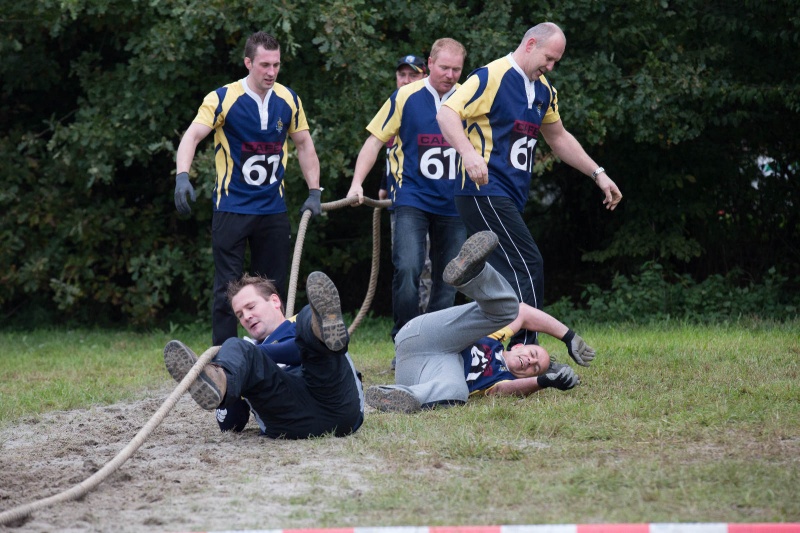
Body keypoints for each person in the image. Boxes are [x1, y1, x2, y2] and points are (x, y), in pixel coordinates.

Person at [437, 22, 623, 347]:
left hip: (511, 195)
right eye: (548, 59)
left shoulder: (544, 91)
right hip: (483, 190)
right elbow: (447, 113)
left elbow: (559, 138)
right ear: (530, 44)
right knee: (527, 263)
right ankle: (526, 350)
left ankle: (473, 347)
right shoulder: (490, 76)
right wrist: (468, 153)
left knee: (497, 276)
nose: (550, 67)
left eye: (555, 63)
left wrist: (599, 173)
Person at [173, 31, 322, 347]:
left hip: (272, 209)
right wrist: (182, 176)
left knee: (273, 289)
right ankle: (225, 359)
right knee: (227, 287)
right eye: (264, 65)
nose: (271, 72)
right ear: (248, 63)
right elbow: (191, 136)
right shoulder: (222, 98)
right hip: (232, 208)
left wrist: (314, 192)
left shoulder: (289, 100)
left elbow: (305, 144)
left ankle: (275, 352)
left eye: (276, 65)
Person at [365, 231, 594, 413]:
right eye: (533, 355)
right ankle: (474, 273)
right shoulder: (497, 338)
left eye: (534, 368)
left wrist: (543, 381)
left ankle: (397, 396)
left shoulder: (501, 379)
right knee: (509, 310)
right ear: (518, 346)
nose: (529, 363)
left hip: (419, 374)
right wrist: (568, 336)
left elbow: (505, 390)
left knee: (457, 393)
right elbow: (522, 312)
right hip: (424, 337)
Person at [347, 38, 469, 346]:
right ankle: (404, 339)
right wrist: (357, 183)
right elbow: (374, 140)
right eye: (444, 67)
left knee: (449, 277)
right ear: (430, 63)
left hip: (455, 201)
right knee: (408, 267)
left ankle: (437, 344)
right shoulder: (406, 96)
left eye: (456, 69)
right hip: (411, 197)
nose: (450, 74)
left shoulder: (469, 98)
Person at [164, 271, 364, 439]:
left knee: (306, 317)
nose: (247, 316)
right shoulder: (242, 352)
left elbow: (296, 351)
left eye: (251, 307)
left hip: (337, 402)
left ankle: (323, 332)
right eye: (240, 315)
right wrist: (233, 382)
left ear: (275, 301)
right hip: (290, 421)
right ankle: (220, 381)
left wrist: (253, 356)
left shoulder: (298, 327)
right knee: (234, 344)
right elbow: (230, 425)